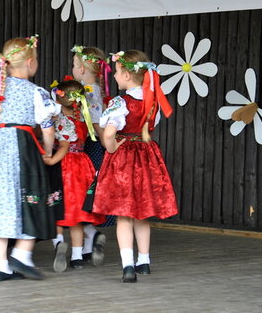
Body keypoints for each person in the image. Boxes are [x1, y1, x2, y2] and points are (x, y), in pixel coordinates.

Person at [0, 36, 61, 282]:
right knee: (32, 197)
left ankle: (1, 264)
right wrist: (46, 151)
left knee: (1, 201)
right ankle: (22, 253)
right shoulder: (35, 92)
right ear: (31, 62)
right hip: (22, 145)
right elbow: (47, 127)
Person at [93, 50, 177, 283]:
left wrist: (110, 148)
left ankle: (128, 265)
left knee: (124, 214)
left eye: (118, 72)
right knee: (142, 213)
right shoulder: (153, 103)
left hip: (124, 159)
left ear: (128, 76)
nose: (116, 77)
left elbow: (109, 133)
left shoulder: (121, 102)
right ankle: (144, 261)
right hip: (147, 157)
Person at [44, 79, 105, 271]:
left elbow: (63, 145)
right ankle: (77, 257)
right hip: (82, 164)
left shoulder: (60, 120)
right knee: (78, 215)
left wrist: (52, 160)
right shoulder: (82, 118)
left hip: (64, 166)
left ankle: (59, 242)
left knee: (57, 209)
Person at [71, 45, 113, 260]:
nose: (73, 68)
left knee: (82, 195)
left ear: (81, 70)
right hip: (94, 145)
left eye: (75, 65)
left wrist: (108, 146)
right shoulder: (96, 90)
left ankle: (91, 233)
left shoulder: (89, 92)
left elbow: (96, 124)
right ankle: (88, 244)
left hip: (92, 147)